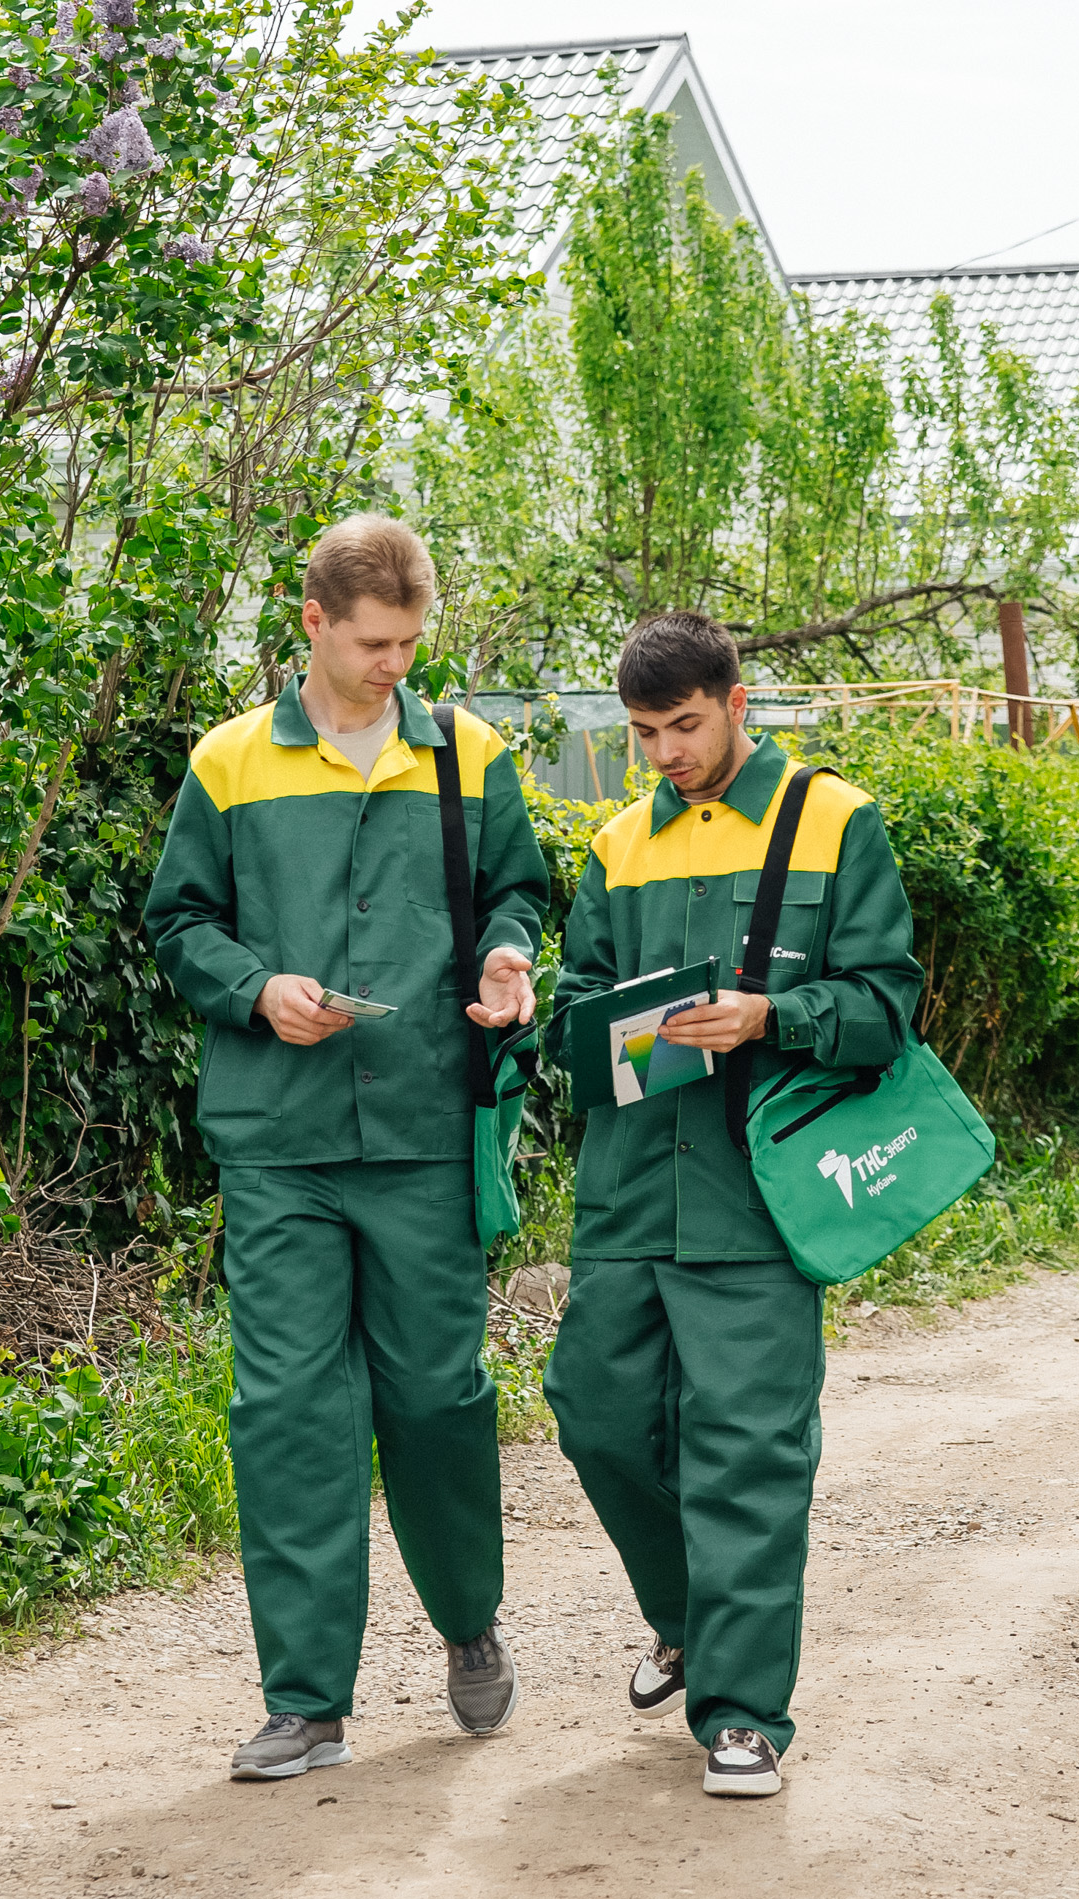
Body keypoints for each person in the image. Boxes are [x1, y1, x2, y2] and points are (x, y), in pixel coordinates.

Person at [144, 514, 548, 1781]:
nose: (394, 666)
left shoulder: (468, 756)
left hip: (425, 1132)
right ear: (312, 623)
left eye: (411, 643)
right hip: (279, 1143)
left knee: (437, 1398)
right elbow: (179, 923)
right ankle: (306, 1703)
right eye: (374, 643)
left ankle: (470, 1624)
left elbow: (520, 895)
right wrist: (256, 988)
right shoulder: (226, 763)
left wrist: (508, 955)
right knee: (287, 1413)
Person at [546, 609, 920, 1797]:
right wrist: (604, 1035)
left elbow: (886, 1012)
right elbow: (575, 1023)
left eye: (684, 726)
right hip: (624, 1192)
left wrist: (775, 1017)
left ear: (737, 700)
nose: (665, 753)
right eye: (645, 733)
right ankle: (688, 1619)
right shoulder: (613, 846)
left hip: (758, 1201)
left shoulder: (834, 823)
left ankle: (745, 1714)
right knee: (595, 1416)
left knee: (746, 1451)